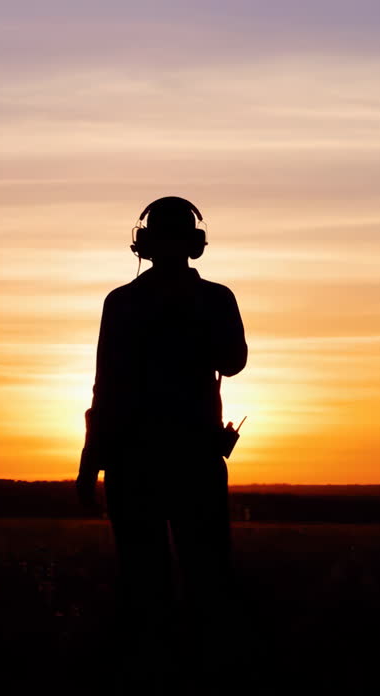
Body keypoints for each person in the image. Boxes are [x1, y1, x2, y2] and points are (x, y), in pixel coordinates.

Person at [76, 196, 248, 643]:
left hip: (138, 461)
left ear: (142, 244)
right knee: (204, 577)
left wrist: (89, 465)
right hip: (191, 459)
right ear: (197, 243)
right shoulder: (215, 298)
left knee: (147, 581)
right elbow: (234, 362)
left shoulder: (123, 302)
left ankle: (154, 664)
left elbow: (104, 388)